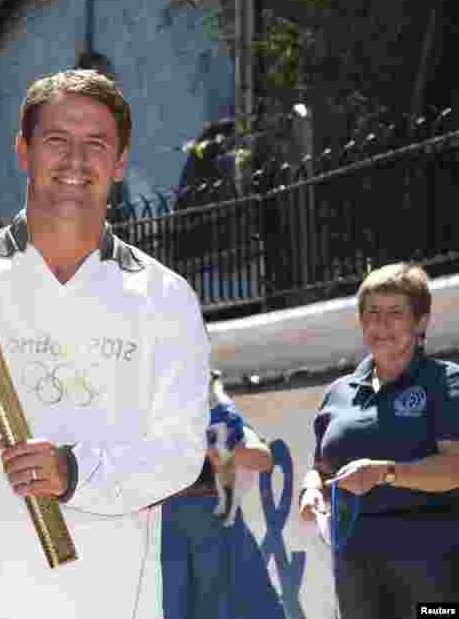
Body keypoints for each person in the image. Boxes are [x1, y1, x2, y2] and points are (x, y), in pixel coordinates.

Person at [0, 69, 210, 619]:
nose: (76, 160)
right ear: (23, 151)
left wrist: (73, 473)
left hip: (112, 601)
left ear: (119, 162)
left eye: (96, 144)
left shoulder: (164, 298)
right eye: (56, 141)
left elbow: (181, 455)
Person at [298, 263, 459, 618]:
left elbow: (455, 467)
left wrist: (386, 473)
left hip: (434, 570)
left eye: (395, 313)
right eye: (371, 313)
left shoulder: (446, 382)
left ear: (420, 323)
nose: (381, 324)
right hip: (356, 570)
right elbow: (322, 470)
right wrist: (311, 490)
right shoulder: (338, 392)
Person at [160, 371, 281, 619]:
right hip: (166, 531)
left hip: (219, 528)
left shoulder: (215, 407)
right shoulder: (144, 406)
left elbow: (264, 458)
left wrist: (224, 452)